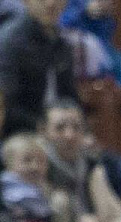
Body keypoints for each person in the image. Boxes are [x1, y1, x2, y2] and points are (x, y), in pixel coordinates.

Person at [0, 0, 80, 138]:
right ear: (26, 2)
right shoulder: (10, 41)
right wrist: (43, 126)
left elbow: (70, 95)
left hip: (61, 132)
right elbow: (7, 105)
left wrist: (83, 130)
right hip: (21, 135)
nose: (51, 3)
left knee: (112, 159)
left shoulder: (62, 42)